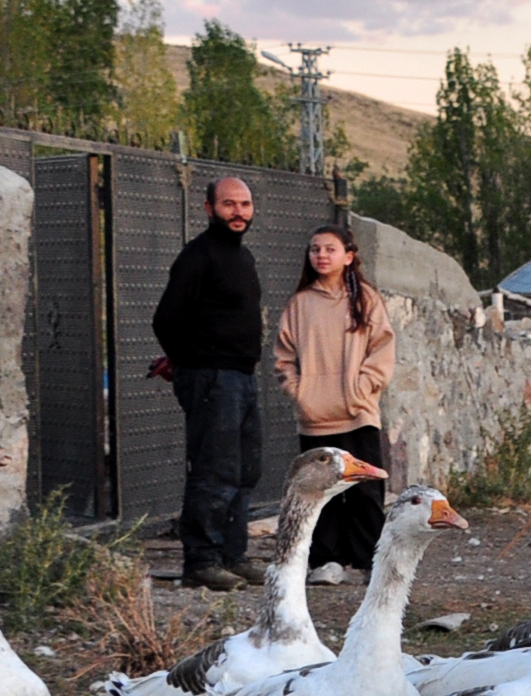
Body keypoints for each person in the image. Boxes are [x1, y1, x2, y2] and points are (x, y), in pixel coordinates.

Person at [153, 177, 265, 591]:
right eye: (229, 204)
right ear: (208, 208)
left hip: (241, 378)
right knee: (213, 471)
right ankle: (201, 561)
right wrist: (188, 366)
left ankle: (233, 557)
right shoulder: (197, 257)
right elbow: (166, 320)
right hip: (213, 380)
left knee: (245, 472)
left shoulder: (243, 256)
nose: (238, 212)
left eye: (245, 204)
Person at [275, 221, 398, 583]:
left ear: (348, 256)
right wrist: (300, 393)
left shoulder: (366, 300)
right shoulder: (299, 304)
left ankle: (370, 563)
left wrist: (363, 388)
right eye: (315, 249)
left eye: (329, 249)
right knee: (321, 493)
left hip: (358, 414)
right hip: (315, 416)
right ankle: (327, 562)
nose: (321, 255)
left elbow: (382, 349)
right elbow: (283, 358)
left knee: (365, 491)